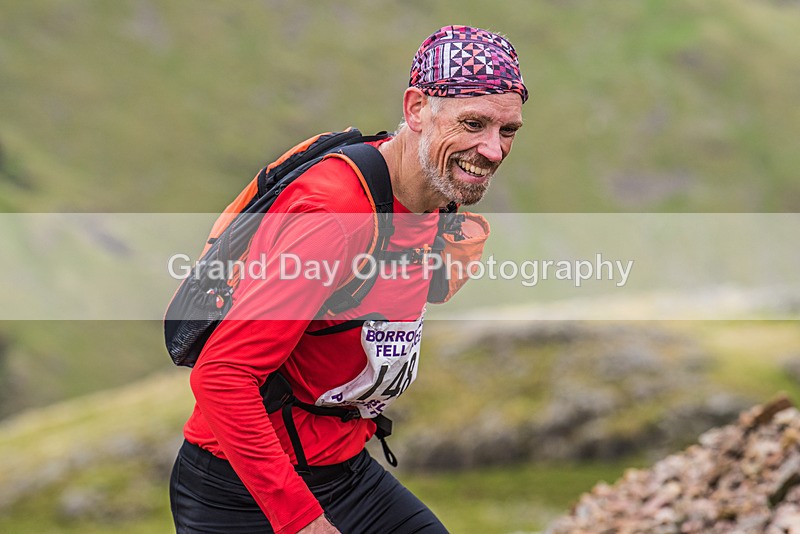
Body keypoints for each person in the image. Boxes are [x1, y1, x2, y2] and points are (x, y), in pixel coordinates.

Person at [169, 25, 527, 534]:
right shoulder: (335, 216)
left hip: (342, 470)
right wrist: (302, 522)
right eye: (473, 124)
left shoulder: (436, 194)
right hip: (241, 491)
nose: (493, 150)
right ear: (417, 109)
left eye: (507, 130)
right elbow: (221, 376)